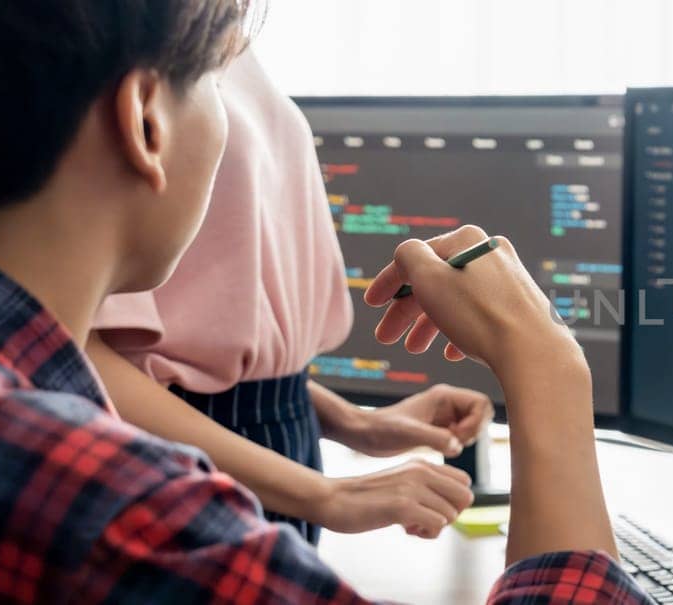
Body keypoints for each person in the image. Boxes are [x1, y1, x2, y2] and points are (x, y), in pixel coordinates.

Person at [0, 2, 645, 602]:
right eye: (213, 83)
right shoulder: (123, 513)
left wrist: (346, 419)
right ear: (146, 122)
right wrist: (548, 364)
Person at [85, 46, 494, 544]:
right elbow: (75, 349)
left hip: (277, 448)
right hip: (188, 463)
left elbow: (220, 344)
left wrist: (353, 423)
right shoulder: (128, 32)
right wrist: (327, 495)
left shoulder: (231, 42)